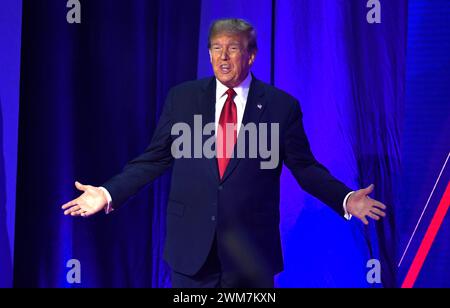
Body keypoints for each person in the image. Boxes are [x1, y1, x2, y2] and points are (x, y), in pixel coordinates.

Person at [61, 18, 386, 288]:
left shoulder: (280, 107)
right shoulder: (183, 99)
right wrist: (107, 193)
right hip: (191, 255)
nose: (223, 57)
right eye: (216, 48)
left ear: (251, 55)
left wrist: (345, 198)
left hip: (251, 259)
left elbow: (305, 168)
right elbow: (155, 158)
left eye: (232, 48)